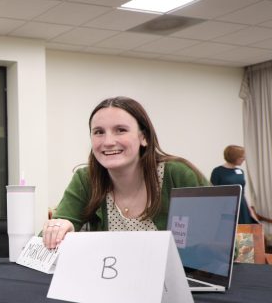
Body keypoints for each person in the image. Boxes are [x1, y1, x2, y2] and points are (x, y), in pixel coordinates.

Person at [43, 96, 207, 249]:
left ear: (144, 138)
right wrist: (60, 229)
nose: (108, 142)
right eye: (99, 132)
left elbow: (223, 246)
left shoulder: (178, 174)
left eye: (120, 130)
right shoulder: (86, 178)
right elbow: (46, 244)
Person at [211, 145, 258, 224]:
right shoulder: (217, 171)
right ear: (234, 157)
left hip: (242, 206)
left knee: (244, 233)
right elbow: (213, 193)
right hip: (226, 207)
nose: (244, 159)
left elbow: (242, 192)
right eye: (242, 157)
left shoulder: (240, 172)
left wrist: (250, 210)